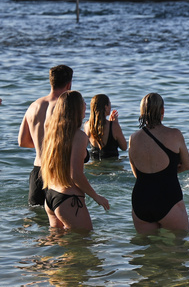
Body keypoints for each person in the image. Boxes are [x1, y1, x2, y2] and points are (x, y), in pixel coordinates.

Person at [40, 91, 110, 231]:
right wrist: (96, 197)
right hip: (69, 200)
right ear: (76, 109)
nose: (85, 105)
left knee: (57, 246)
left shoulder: (53, 133)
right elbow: (75, 175)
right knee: (84, 246)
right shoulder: (79, 136)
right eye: (82, 103)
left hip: (51, 196)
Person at [128, 93, 189, 235]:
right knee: (180, 248)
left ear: (142, 112)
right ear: (162, 110)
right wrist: (167, 173)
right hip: (167, 198)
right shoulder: (175, 134)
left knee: (146, 252)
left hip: (140, 200)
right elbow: (186, 165)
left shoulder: (133, 138)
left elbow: (136, 173)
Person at [19, 65, 75, 206]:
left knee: (37, 219)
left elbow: (22, 141)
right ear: (69, 84)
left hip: (37, 172)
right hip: (58, 172)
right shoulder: (66, 106)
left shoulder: (33, 106)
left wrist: (41, 145)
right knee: (61, 221)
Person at [87, 94, 127, 160]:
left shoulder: (87, 125)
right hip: (112, 167)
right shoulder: (114, 126)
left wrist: (110, 122)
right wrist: (115, 123)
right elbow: (124, 147)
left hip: (95, 167)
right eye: (110, 104)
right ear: (106, 107)